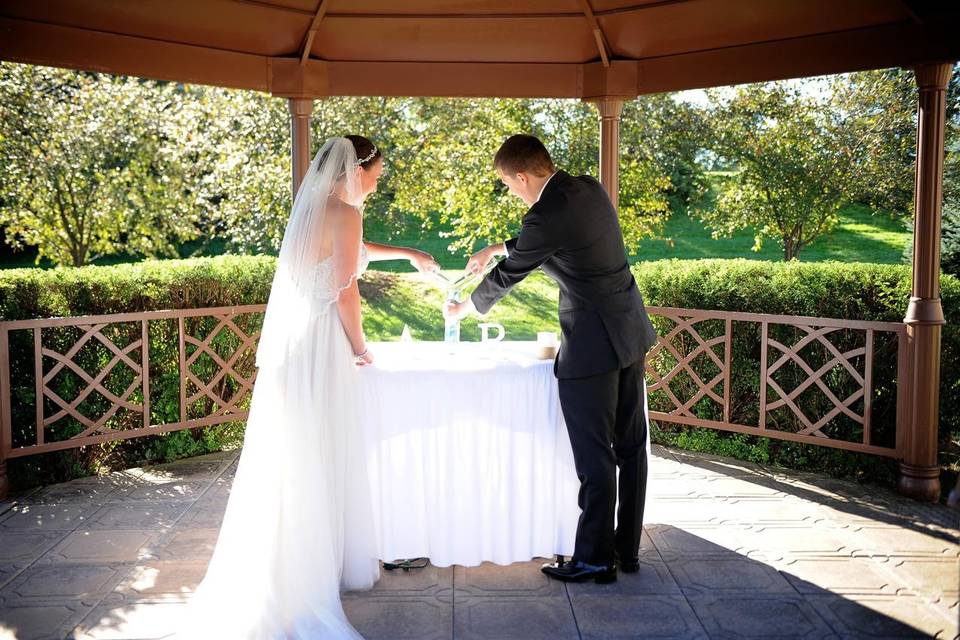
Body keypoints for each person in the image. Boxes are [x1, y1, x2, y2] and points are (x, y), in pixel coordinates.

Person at [177, 135, 439, 638]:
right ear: (356, 170)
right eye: (376, 172)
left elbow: (349, 253)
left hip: (294, 346)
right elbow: (345, 294)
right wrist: (361, 349)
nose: (378, 181)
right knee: (326, 452)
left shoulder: (314, 208)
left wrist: (406, 253)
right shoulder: (346, 212)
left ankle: (298, 562)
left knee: (296, 456)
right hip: (324, 344)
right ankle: (313, 574)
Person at [444, 134, 657, 584]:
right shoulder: (587, 188)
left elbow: (514, 270)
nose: (511, 191)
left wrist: (467, 307)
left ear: (521, 176)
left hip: (592, 347)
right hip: (629, 329)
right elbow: (550, 237)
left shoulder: (543, 214)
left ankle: (596, 559)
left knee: (595, 455)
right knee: (631, 447)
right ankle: (626, 550)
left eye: (508, 184)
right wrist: (496, 247)